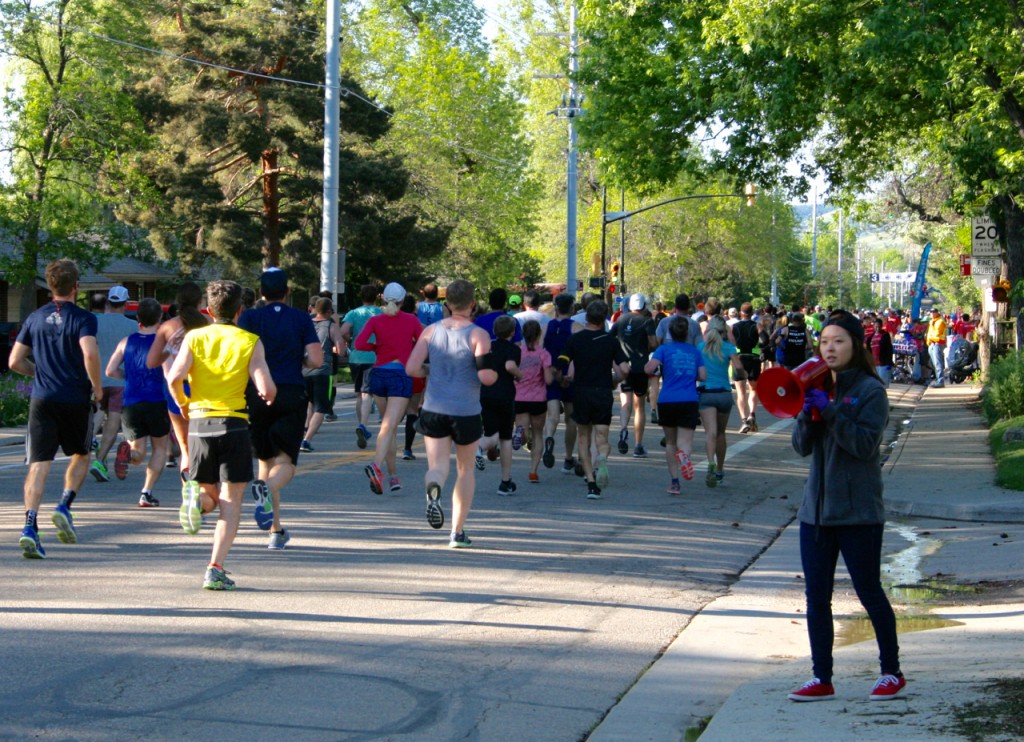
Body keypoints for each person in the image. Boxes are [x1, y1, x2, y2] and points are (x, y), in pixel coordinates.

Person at [787, 310, 905, 702]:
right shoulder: (815, 384)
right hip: (815, 514)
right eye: (824, 342)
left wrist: (833, 411)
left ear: (855, 345)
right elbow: (801, 447)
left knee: (869, 591)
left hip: (858, 513)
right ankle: (821, 676)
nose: (830, 348)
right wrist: (807, 413)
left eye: (838, 340)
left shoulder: (871, 391)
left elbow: (864, 446)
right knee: (816, 599)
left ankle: (892, 671)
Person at [166, 280, 276, 590]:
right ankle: (215, 567)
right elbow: (266, 388)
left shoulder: (194, 337)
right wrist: (268, 396)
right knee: (230, 501)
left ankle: (196, 499)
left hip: (200, 423)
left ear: (208, 310)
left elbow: (175, 378)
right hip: (235, 424)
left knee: (209, 496)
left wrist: (185, 405)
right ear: (240, 310)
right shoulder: (250, 341)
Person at [10, 259, 103, 558]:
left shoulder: (35, 318)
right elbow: (89, 353)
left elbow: (14, 361)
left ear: (50, 286)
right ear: (76, 286)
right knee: (81, 453)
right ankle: (64, 505)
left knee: (39, 464)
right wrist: (97, 386)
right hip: (74, 397)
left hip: (42, 399)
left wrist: (37, 372)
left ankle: (29, 527)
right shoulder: (84, 318)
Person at [405, 279, 497, 547]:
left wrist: (430, 370)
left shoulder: (430, 331)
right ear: (472, 304)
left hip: (434, 408)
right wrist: (494, 374)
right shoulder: (478, 334)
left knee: (438, 466)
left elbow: (412, 368)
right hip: (466, 410)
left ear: (447, 304)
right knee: (465, 469)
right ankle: (457, 532)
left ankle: (434, 489)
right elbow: (485, 375)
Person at [238, 268, 322, 550]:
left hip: (257, 393)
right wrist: (302, 361)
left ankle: (275, 530)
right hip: (290, 391)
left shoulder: (249, 317)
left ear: (261, 293)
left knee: (265, 462)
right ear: (287, 291)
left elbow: (240, 355)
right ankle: (267, 491)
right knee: (285, 463)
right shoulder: (300, 318)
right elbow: (317, 358)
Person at [557, 300, 630, 500]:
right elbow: (624, 369)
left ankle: (591, 483)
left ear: (587, 317)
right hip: (602, 392)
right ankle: (602, 459)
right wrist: (615, 381)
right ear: (604, 319)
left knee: (583, 437)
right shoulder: (610, 341)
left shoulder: (575, 340)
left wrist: (562, 379)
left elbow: (561, 364)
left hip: (581, 391)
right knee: (602, 437)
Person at [355, 283, 423, 494]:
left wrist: (375, 347)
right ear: (403, 301)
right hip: (400, 375)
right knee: (388, 427)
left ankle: (393, 477)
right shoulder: (411, 320)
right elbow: (424, 342)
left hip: (379, 375)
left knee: (389, 428)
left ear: (383, 299)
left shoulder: (375, 320)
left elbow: (358, 344)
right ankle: (377, 466)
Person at [104, 298, 171, 506]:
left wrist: (128, 375)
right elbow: (170, 372)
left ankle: (127, 454)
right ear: (160, 317)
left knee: (138, 453)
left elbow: (110, 370)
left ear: (138, 317)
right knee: (160, 449)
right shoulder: (163, 344)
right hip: (156, 400)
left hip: (131, 402)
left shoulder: (126, 342)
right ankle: (146, 492)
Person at [146, 281, 210, 482]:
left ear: (178, 301)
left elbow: (151, 362)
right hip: (204, 387)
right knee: (206, 442)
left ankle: (189, 494)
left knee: (185, 446)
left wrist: (170, 351)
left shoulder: (167, 327)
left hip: (176, 387)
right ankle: (205, 491)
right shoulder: (209, 323)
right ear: (201, 301)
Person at [644, 317, 705, 495]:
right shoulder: (695, 352)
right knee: (685, 441)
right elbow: (703, 376)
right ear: (687, 333)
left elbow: (649, 368)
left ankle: (675, 482)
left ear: (670, 332)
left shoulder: (663, 349)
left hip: (667, 399)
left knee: (670, 442)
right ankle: (685, 456)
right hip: (689, 399)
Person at [89, 285, 138, 483]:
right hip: (120, 378)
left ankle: (90, 442)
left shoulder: (95, 322)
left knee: (99, 413)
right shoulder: (132, 326)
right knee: (114, 420)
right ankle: (99, 460)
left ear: (108, 302)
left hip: (98, 378)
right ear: (126, 304)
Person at [476, 315, 521, 494]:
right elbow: (510, 366)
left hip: (486, 393)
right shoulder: (513, 349)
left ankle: (479, 447)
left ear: (494, 331)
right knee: (505, 438)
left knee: (491, 433)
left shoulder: (487, 348)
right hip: (505, 395)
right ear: (512, 332)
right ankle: (505, 480)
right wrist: (520, 374)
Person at [697, 316, 740, 488]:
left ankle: (710, 464)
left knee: (710, 433)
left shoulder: (700, 348)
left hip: (706, 393)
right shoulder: (729, 348)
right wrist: (741, 376)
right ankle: (720, 469)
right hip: (724, 394)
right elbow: (738, 369)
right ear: (724, 331)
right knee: (721, 433)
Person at [542, 293, 582, 474]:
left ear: (556, 309)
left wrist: (550, 372)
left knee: (552, 415)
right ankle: (567, 457)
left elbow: (542, 353)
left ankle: (549, 437)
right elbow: (578, 353)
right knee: (571, 419)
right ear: (572, 309)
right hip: (570, 375)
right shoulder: (576, 328)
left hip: (551, 373)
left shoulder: (546, 327)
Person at [614, 293, 657, 458]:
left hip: (624, 365)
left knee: (625, 402)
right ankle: (638, 445)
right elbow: (653, 343)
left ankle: (623, 429)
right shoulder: (647, 321)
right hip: (640, 367)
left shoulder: (621, 320)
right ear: (643, 306)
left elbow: (611, 337)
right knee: (639, 407)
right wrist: (648, 348)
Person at [301, 298, 346, 453]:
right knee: (322, 407)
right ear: (328, 312)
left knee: (309, 403)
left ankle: (305, 429)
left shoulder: (306, 324)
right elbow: (341, 351)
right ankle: (307, 440)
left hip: (304, 369)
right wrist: (333, 349)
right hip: (322, 370)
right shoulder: (331, 326)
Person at [340, 284, 381, 450]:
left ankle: (360, 424)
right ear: (376, 297)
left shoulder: (354, 313)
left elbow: (343, 330)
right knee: (367, 393)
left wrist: (350, 338)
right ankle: (363, 425)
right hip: (373, 355)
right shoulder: (380, 313)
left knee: (359, 393)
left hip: (356, 355)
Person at [515, 319, 554, 484]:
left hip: (520, 397)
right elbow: (548, 379)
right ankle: (533, 471)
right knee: (538, 434)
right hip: (538, 398)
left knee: (522, 429)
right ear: (539, 334)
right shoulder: (544, 354)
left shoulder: (517, 353)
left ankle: (519, 434)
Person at [732, 302, 761, 434]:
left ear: (740, 313)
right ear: (752, 312)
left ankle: (744, 421)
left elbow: (731, 341)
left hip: (740, 359)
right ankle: (752, 415)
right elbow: (765, 340)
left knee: (741, 392)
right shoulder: (756, 326)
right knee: (753, 389)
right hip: (754, 358)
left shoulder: (735, 327)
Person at [868, 316, 894, 388]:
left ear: (881, 326)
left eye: (879, 326)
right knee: (874, 383)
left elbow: (889, 349)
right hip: (873, 363)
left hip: (883, 362)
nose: (877, 328)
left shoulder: (885, 335)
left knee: (882, 383)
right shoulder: (871, 337)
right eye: (876, 326)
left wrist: (889, 362)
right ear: (873, 326)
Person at [926, 308, 947, 387]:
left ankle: (940, 381)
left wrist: (932, 325)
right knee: (933, 363)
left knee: (938, 363)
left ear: (937, 313)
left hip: (937, 343)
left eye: (934, 312)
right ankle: (938, 379)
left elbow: (937, 333)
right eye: (931, 312)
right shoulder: (932, 321)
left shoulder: (940, 322)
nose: (932, 313)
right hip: (931, 344)